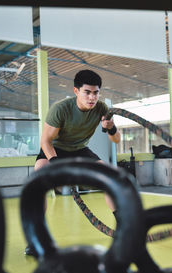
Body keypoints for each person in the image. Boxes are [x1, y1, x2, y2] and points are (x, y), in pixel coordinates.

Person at [25, 69, 121, 257]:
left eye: (96, 92)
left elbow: (116, 140)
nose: (92, 97)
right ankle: (36, 237)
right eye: (87, 92)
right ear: (76, 91)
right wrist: (56, 163)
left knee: (110, 176)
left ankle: (124, 226)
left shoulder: (102, 108)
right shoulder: (60, 109)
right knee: (39, 175)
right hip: (56, 149)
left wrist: (111, 127)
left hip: (79, 149)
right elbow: (45, 141)